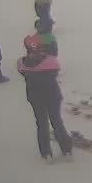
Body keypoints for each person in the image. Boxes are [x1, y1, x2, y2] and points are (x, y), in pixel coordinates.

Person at [17, 34, 72, 163]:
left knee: (41, 123)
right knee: (57, 121)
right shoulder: (51, 60)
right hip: (52, 95)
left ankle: (46, 154)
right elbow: (56, 70)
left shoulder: (21, 63)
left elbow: (22, 71)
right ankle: (66, 150)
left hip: (35, 97)